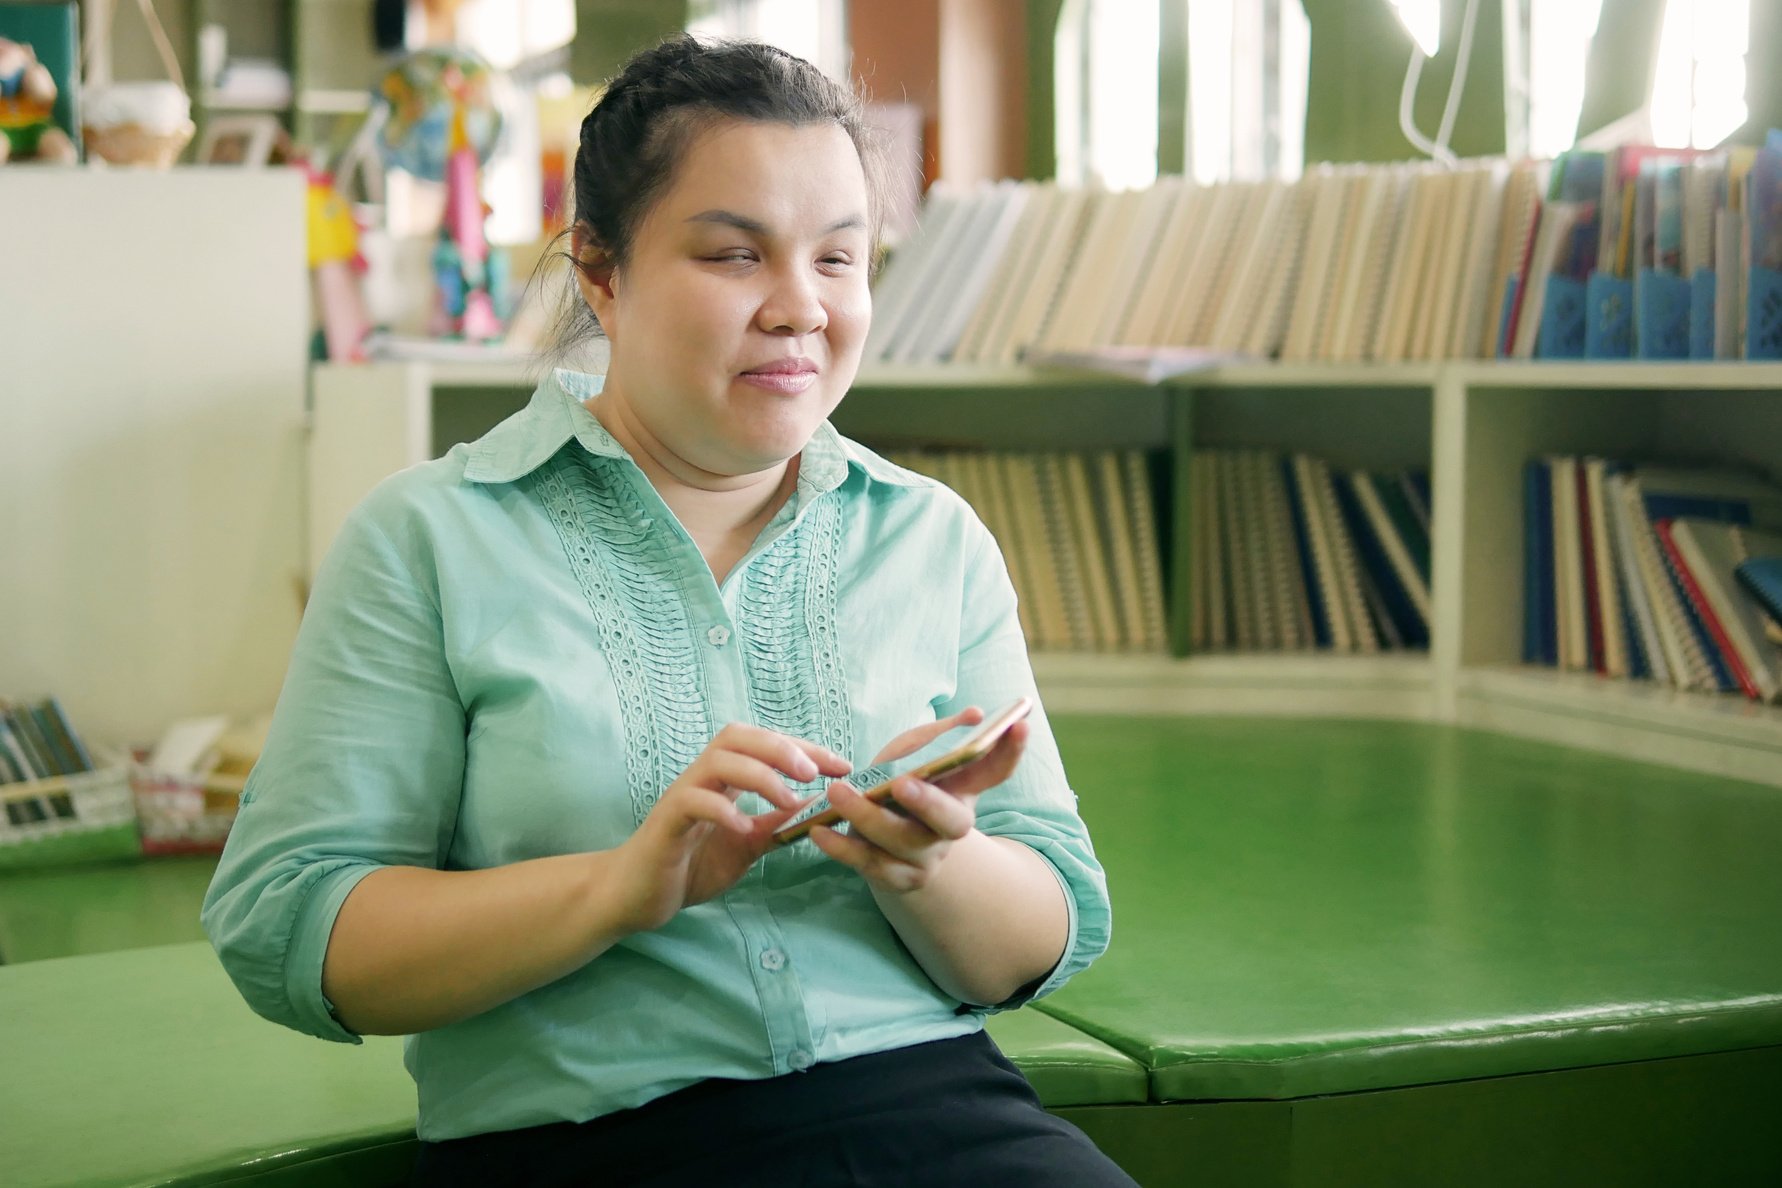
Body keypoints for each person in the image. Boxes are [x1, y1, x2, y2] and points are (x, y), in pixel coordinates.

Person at [202, 34, 1126, 1187]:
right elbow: (295, 927)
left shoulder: (931, 537)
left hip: (943, 1113)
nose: (800, 308)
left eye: (841, 258)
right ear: (599, 268)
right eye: (736, 254)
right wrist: (620, 888)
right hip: (583, 1141)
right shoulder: (428, 539)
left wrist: (931, 862)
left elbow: (1041, 938)